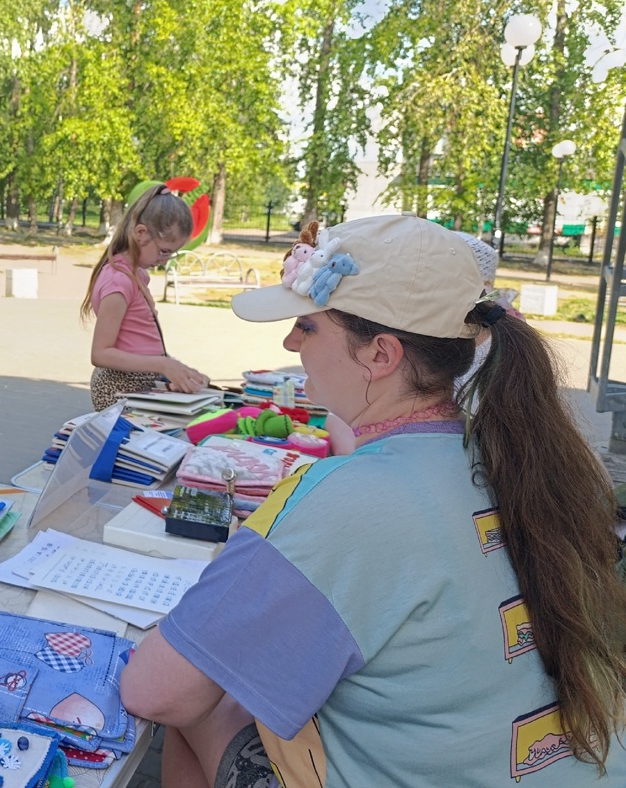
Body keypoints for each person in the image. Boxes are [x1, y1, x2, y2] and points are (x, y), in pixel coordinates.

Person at [120, 214, 626, 787]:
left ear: (381, 355)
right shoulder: (521, 457)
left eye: (306, 327)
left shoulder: (344, 499)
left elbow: (154, 693)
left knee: (203, 700)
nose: (289, 343)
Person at [81, 184, 210, 410]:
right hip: (119, 387)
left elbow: (141, 340)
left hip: (138, 383)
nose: (164, 260)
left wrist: (180, 370)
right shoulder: (119, 281)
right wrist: (164, 365)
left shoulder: (136, 274)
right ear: (141, 233)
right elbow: (100, 353)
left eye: (171, 254)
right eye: (163, 251)